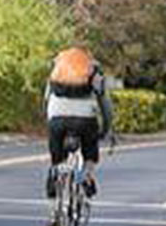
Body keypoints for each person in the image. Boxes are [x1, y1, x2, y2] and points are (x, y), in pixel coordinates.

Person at [43, 46, 113, 205]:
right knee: (90, 152)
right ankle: (86, 176)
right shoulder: (93, 70)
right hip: (85, 120)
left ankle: (54, 204)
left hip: (57, 118)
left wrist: (49, 121)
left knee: (57, 159)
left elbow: (46, 99)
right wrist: (106, 128)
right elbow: (105, 105)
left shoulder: (58, 69)